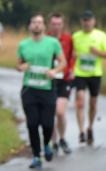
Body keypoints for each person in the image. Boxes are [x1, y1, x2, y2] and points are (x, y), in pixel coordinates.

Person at [17, 14, 66, 170]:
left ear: (44, 26)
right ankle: (37, 156)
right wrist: (21, 67)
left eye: (39, 22)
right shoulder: (23, 44)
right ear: (30, 26)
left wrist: (54, 71)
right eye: (34, 22)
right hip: (29, 89)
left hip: (47, 89)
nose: (37, 25)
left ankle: (47, 144)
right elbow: (19, 65)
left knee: (47, 124)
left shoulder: (53, 43)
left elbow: (63, 62)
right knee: (32, 124)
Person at [72, 10, 106, 145]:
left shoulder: (101, 36)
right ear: (81, 22)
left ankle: (90, 127)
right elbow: (70, 54)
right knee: (80, 101)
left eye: (89, 20)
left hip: (95, 73)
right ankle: (81, 131)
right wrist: (73, 55)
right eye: (84, 20)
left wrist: (98, 52)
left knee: (93, 103)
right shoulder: (76, 36)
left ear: (94, 21)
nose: (86, 23)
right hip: (80, 73)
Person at [48, 12, 75, 155]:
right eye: (54, 24)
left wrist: (72, 69)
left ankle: (63, 138)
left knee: (60, 111)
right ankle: (54, 142)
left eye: (59, 24)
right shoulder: (44, 38)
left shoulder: (68, 39)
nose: (56, 27)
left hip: (64, 79)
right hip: (48, 80)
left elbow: (72, 56)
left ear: (62, 25)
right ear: (49, 24)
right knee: (50, 112)